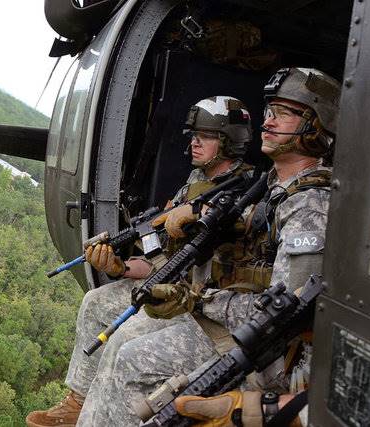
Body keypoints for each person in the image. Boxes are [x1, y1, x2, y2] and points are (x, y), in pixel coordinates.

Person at [79, 67, 340, 427]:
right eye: (269, 112)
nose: (268, 122)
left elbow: (283, 315)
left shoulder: (309, 203)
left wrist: (197, 300)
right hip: (224, 311)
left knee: (133, 359)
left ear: (315, 125)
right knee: (122, 345)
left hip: (260, 346)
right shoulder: (269, 186)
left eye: (282, 113)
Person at [25, 95, 253, 427]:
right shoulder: (193, 185)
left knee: (122, 340)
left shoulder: (241, 196)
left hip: (199, 303)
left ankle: (94, 421)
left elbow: (213, 262)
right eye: (194, 134)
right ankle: (78, 402)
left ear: (229, 142)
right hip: (169, 285)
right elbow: (161, 258)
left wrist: (199, 216)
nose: (194, 142)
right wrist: (119, 267)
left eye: (205, 135)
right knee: (95, 302)